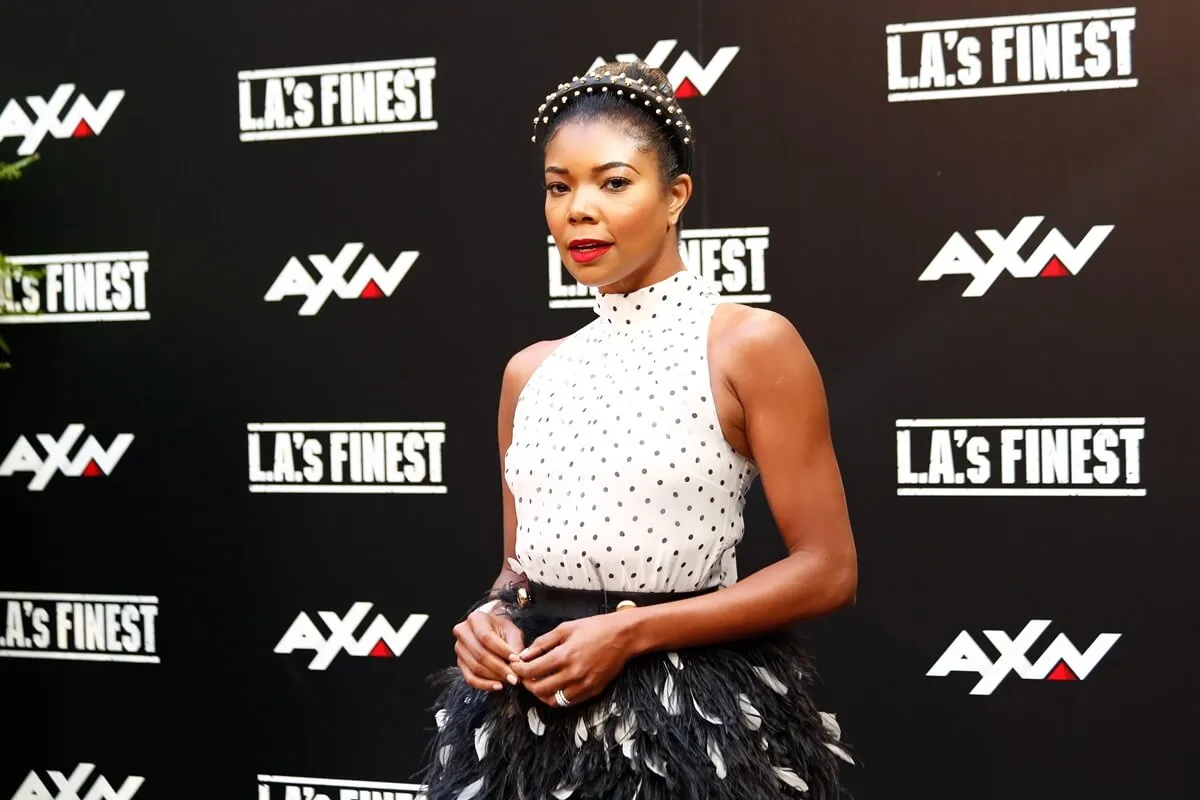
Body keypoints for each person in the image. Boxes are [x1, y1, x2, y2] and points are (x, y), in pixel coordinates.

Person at [420, 60, 858, 800]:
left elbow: (828, 569)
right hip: (526, 722)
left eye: (613, 182)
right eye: (560, 187)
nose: (579, 210)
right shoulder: (530, 372)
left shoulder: (748, 344)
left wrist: (630, 633)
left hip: (687, 724)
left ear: (675, 195)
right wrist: (490, 617)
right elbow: (516, 570)